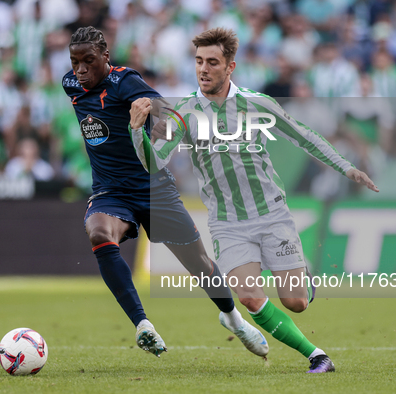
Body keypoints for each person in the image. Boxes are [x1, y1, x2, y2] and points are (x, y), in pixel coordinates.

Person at [130, 27, 379, 373]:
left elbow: (304, 137)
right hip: (227, 222)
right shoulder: (183, 112)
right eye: (199, 61)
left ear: (230, 66)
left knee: (296, 303)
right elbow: (154, 163)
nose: (203, 69)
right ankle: (318, 356)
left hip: (271, 214)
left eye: (212, 62)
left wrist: (347, 168)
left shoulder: (257, 104)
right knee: (248, 297)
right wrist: (135, 130)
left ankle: (302, 280)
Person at [63, 26, 268, 358]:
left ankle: (233, 319)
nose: (81, 70)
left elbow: (161, 106)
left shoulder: (124, 81)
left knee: (199, 264)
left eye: (88, 61)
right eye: (75, 62)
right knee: (99, 232)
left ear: (105, 57)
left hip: (153, 189)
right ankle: (143, 324)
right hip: (111, 191)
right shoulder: (70, 84)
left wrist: (160, 120)